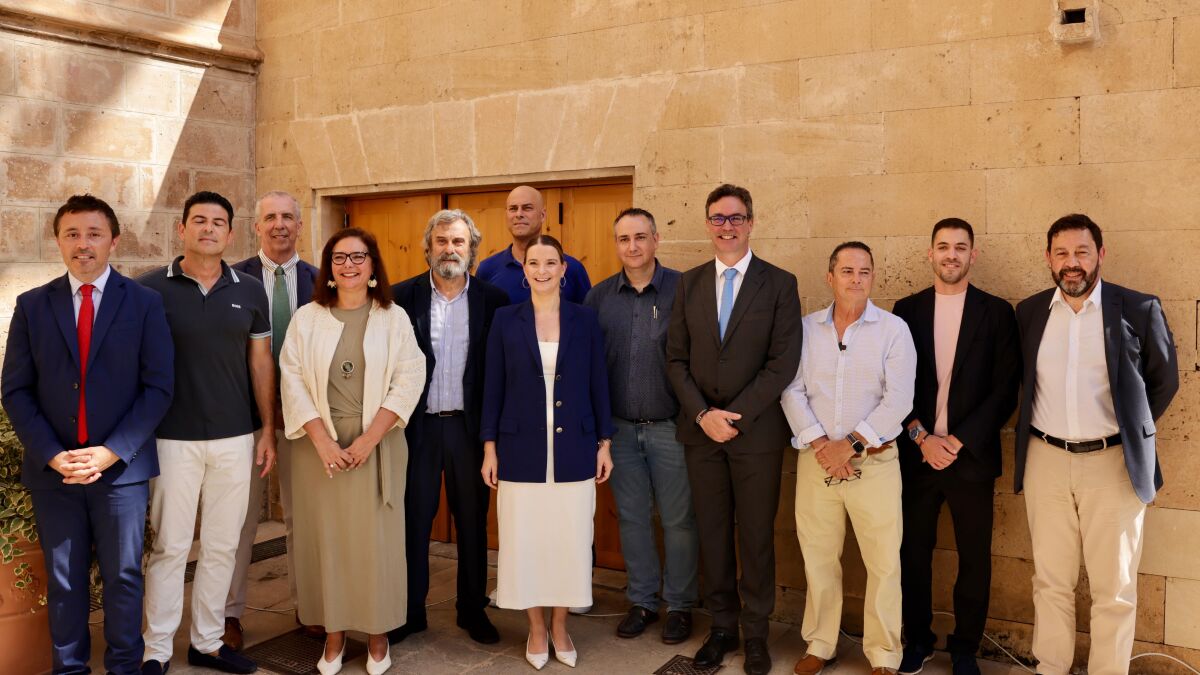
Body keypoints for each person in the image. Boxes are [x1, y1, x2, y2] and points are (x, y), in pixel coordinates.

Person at [1, 195, 174, 675]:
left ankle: (124, 668)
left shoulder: (144, 303)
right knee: (65, 582)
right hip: (54, 473)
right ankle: (70, 669)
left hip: (120, 472)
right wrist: (53, 455)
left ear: (113, 240)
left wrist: (111, 452)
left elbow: (159, 387)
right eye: (72, 234)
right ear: (58, 241)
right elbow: (15, 390)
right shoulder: (32, 306)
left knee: (123, 578)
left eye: (94, 233)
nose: (83, 244)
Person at [1014, 214, 1178, 675]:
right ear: (1049, 258)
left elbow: (1164, 381)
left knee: (1114, 588)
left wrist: (1130, 430)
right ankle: (1051, 666)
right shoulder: (1030, 312)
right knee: (1050, 580)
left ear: (1100, 255)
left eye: (1082, 252)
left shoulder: (1138, 308)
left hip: (1113, 463)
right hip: (1045, 460)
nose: (1073, 263)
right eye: (1062, 253)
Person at [665, 184, 802, 675]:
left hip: (756, 437)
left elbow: (782, 362)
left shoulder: (779, 283)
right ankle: (722, 629)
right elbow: (675, 359)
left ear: (751, 223)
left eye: (736, 217)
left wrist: (734, 417)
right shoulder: (690, 283)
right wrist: (704, 415)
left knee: (757, 538)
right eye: (719, 218)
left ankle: (757, 634)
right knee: (714, 534)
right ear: (708, 224)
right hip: (701, 434)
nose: (727, 226)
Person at [138, 191, 276, 675]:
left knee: (222, 545)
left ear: (231, 234)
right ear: (181, 229)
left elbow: (261, 362)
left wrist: (268, 429)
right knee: (171, 546)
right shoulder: (149, 289)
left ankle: (208, 643)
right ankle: (156, 650)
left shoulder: (250, 290)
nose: (209, 228)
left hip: (235, 438)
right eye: (199, 220)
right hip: (171, 439)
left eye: (219, 222)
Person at [280, 227, 425, 675]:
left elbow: (410, 378)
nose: (349, 265)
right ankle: (334, 633)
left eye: (358, 257)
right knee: (326, 542)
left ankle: (378, 633)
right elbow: (292, 379)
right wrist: (323, 441)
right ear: (328, 267)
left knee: (375, 543)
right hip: (318, 449)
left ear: (373, 265)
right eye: (340, 257)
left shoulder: (393, 318)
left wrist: (368, 439)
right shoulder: (307, 319)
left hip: (376, 443)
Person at [891, 219, 1020, 675]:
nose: (951, 255)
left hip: (972, 459)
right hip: (917, 458)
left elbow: (1006, 389)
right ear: (930, 253)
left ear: (973, 255)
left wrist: (957, 441)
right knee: (912, 555)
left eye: (960, 247)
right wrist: (922, 438)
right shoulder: (905, 311)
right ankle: (918, 640)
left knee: (974, 559)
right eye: (943, 246)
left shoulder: (997, 312)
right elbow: (893, 386)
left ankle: (965, 647)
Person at [480, 233, 614, 670]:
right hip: (520, 451)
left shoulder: (584, 319)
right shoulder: (505, 319)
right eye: (534, 263)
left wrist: (605, 443)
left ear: (563, 269)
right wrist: (489, 448)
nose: (542, 270)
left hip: (575, 448)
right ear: (525, 271)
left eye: (550, 263)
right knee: (525, 542)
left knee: (569, 542)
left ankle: (560, 625)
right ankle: (536, 627)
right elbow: (493, 387)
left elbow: (598, 383)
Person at [782, 242, 916, 675]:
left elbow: (899, 399)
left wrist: (852, 444)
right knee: (818, 557)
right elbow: (791, 389)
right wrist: (823, 445)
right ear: (830, 277)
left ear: (873, 276)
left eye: (864, 271)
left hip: (875, 463)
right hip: (817, 461)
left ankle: (884, 654)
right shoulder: (806, 329)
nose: (856, 279)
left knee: (884, 561)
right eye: (847, 271)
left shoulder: (893, 330)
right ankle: (821, 644)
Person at [390, 209, 509, 645]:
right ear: (428, 248)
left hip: (469, 430)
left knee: (473, 523)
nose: (449, 249)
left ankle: (472, 610)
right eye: (441, 241)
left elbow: (500, 372)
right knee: (413, 521)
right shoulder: (400, 298)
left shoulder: (494, 301)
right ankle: (409, 612)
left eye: (458, 242)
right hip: (417, 429)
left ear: (471, 249)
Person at [583, 208, 698, 644]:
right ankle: (643, 601)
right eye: (623, 239)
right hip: (619, 431)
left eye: (640, 237)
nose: (632, 246)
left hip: (671, 428)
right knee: (632, 518)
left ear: (655, 240)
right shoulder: (599, 298)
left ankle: (681, 606)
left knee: (679, 521)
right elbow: (589, 366)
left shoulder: (684, 289)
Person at [226, 190, 320, 650]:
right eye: (270, 217)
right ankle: (229, 613)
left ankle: (309, 607)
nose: (279, 224)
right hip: (245, 419)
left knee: (304, 517)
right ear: (256, 226)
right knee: (238, 520)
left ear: (300, 225)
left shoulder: (322, 282)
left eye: (287, 217)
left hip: (304, 419)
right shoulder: (232, 280)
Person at [476, 185, 591, 304]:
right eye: (513, 209)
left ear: (542, 215)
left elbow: (584, 314)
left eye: (527, 208)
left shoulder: (573, 269)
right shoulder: (487, 269)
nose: (519, 214)